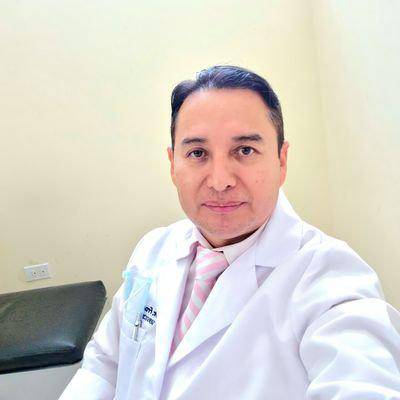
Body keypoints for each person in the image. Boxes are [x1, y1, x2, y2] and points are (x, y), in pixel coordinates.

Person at [59, 65, 400, 399]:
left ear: (281, 160)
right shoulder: (153, 248)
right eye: (197, 153)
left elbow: (362, 379)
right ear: (173, 164)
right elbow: (106, 364)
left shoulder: (330, 277)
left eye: (245, 150)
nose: (220, 180)